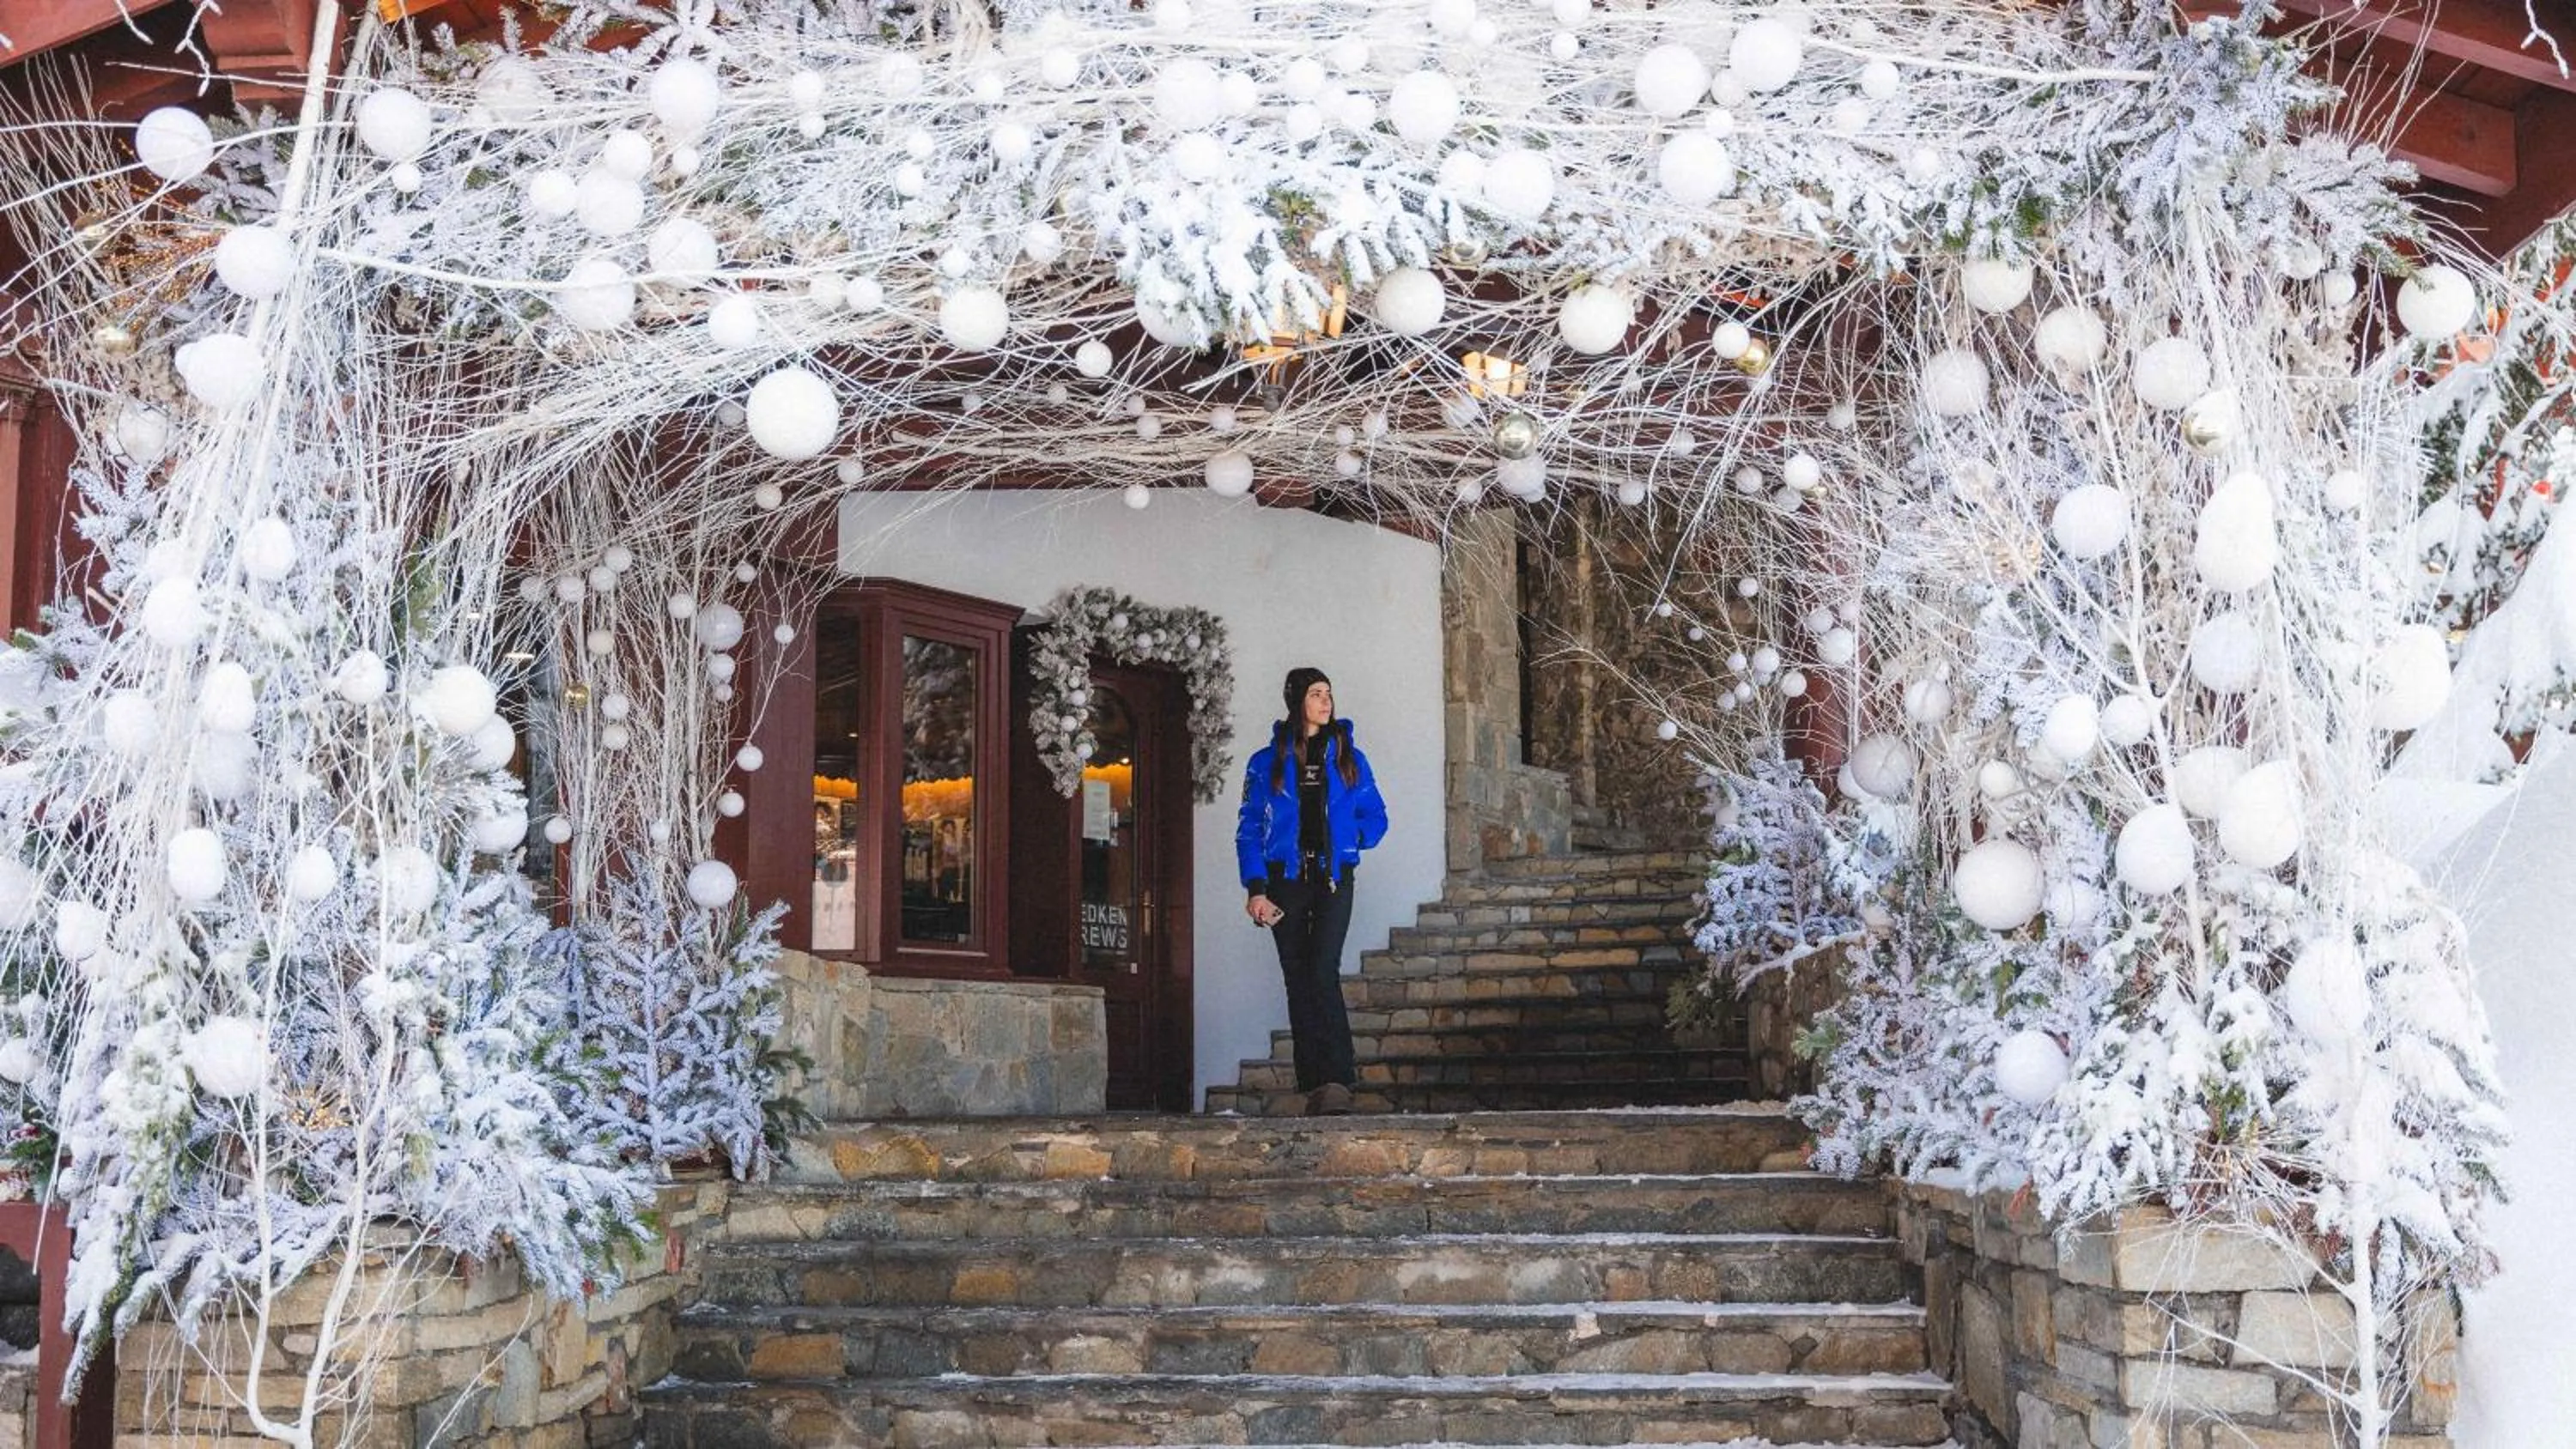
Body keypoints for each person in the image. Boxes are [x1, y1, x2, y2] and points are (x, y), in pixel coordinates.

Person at [1237, 666, 1389, 1116]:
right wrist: (1256, 888)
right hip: (1283, 882)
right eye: (1316, 694)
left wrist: (1349, 841)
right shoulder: (1265, 762)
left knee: (1322, 969)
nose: (1326, 702)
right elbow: (1249, 830)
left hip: (1333, 879)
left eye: (1329, 693)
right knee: (1297, 978)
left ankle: (1338, 1079)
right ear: (1296, 700)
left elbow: (1376, 817)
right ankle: (1313, 1086)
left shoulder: (1349, 757)